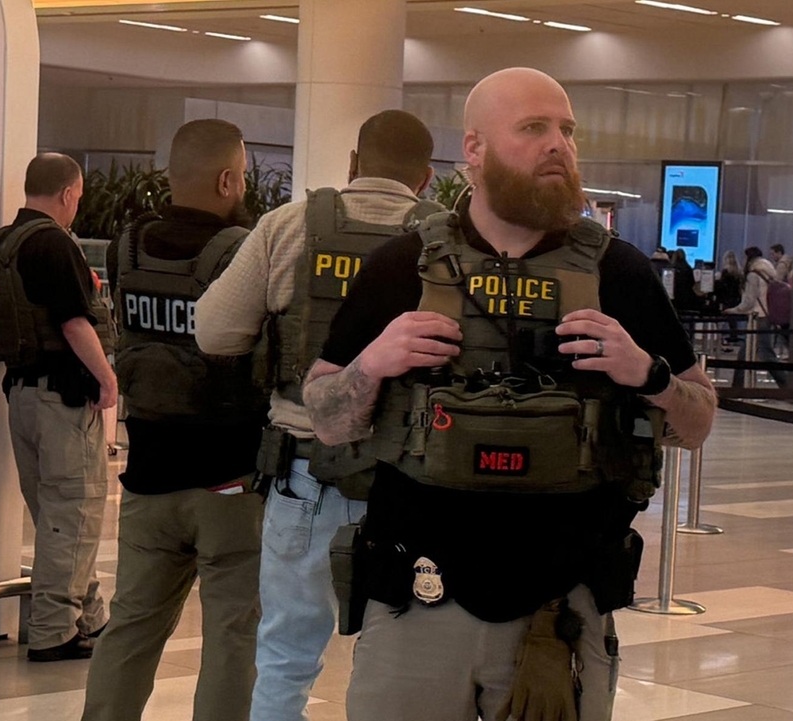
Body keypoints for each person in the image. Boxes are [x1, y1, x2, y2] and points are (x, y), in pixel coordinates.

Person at [302, 68, 717, 721]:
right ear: (475, 148)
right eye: (533, 128)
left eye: (567, 130)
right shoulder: (400, 266)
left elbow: (698, 421)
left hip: (560, 610)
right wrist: (373, 363)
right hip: (417, 594)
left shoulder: (620, 273)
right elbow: (325, 418)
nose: (559, 145)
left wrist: (650, 375)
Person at [196, 109, 442, 721]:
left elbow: (214, 332)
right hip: (413, 479)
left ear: (354, 164)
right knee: (405, 665)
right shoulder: (448, 240)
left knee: (285, 656)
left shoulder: (288, 225)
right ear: (427, 178)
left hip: (306, 472)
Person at [81, 120, 268, 721]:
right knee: (232, 635)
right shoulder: (244, 251)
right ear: (227, 180)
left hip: (148, 476)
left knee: (132, 625)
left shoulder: (127, 246)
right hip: (229, 482)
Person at [0, 153, 116, 662]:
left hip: (21, 394)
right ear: (67, 193)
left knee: (60, 518)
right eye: (78, 197)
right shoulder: (54, 243)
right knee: (75, 511)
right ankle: (54, 630)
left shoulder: (5, 243)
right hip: (62, 399)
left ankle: (90, 617)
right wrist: (107, 379)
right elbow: (74, 323)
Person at [726, 246, 787, 388]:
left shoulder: (753, 274)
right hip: (767, 315)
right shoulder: (768, 269)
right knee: (746, 353)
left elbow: (749, 301)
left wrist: (734, 310)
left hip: (758, 317)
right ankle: (737, 386)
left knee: (765, 355)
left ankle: (787, 384)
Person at [715, 250, 745, 345]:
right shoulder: (740, 272)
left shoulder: (725, 272)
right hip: (736, 299)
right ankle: (734, 336)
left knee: (724, 319)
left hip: (726, 299)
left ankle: (722, 339)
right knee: (733, 321)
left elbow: (721, 287)